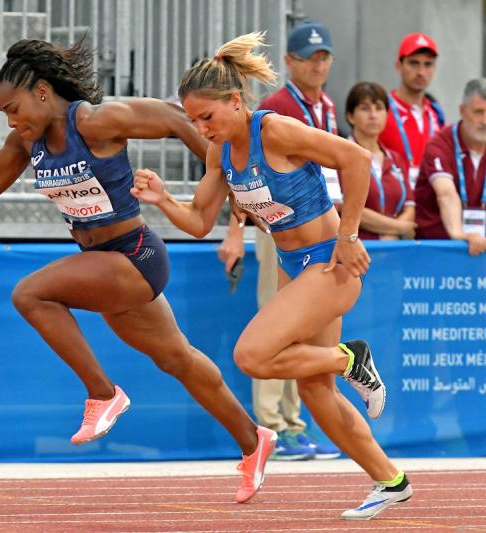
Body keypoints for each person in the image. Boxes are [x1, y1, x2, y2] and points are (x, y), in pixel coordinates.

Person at [0, 38, 277, 503]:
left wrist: (228, 180)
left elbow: (174, 118)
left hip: (134, 256)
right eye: (4, 114)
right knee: (177, 359)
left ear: (42, 92)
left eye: (13, 108)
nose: (11, 120)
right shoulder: (27, 142)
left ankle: (102, 394)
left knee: (31, 294)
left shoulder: (93, 121)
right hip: (107, 269)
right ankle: (253, 440)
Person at [133, 32, 412, 520]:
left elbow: (356, 159)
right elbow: (200, 221)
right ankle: (391, 480)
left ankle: (350, 359)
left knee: (252, 355)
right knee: (314, 391)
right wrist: (163, 201)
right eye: (193, 119)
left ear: (236, 102)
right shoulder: (218, 153)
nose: (202, 127)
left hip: (330, 263)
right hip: (294, 267)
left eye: (208, 117)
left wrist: (349, 236)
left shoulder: (275, 130)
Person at [219, 20, 341, 461]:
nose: (318, 64)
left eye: (324, 56)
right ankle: (271, 421)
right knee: (275, 322)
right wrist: (235, 231)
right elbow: (240, 174)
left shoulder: (324, 104)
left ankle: (293, 422)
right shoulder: (276, 107)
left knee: (302, 328)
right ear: (289, 62)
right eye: (310, 58)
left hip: (314, 223)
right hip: (279, 231)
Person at [414, 79, 486, 256]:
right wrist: (459, 233)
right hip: (438, 250)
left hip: (480, 248)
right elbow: (446, 194)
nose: (485, 120)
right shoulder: (439, 145)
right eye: (479, 112)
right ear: (462, 110)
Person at [345, 82, 416, 240]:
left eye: (379, 108)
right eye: (365, 108)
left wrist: (389, 237)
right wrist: (398, 229)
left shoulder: (396, 159)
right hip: (357, 252)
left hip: (394, 251)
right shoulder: (340, 155)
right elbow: (347, 208)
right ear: (350, 116)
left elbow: (410, 208)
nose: (373, 115)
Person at [380, 32, 444, 188]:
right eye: (414, 63)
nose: (421, 72)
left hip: (428, 205)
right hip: (393, 206)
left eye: (428, 64)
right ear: (399, 66)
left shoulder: (436, 114)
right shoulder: (381, 109)